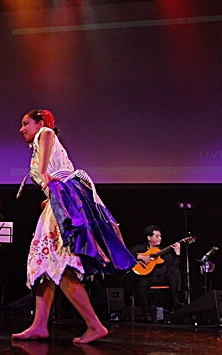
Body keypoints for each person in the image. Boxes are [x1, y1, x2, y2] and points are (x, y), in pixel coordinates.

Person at [12, 109, 136, 343]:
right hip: (59, 200)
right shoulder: (41, 144)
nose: (22, 129)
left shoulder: (45, 133)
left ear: (40, 123)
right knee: (43, 263)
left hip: (64, 199)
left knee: (61, 263)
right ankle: (39, 325)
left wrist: (43, 174)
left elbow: (48, 160)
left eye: (26, 123)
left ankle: (94, 325)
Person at [129, 225, 182, 322]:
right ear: (149, 238)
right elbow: (127, 255)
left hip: (161, 277)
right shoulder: (141, 248)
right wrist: (140, 257)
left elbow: (174, 267)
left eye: (160, 236)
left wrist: (177, 254)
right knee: (141, 283)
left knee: (174, 271)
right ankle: (146, 314)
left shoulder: (164, 251)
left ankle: (176, 300)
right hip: (148, 278)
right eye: (157, 236)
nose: (160, 238)